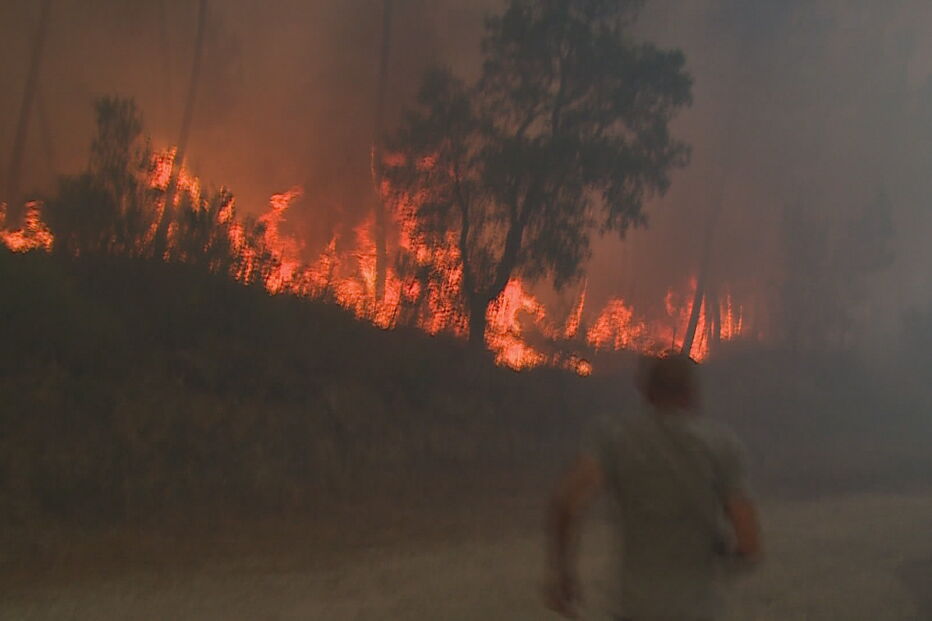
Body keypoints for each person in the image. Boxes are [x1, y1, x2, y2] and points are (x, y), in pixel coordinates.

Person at [544, 353, 762, 620]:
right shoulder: (723, 445)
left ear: (646, 392)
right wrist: (723, 558)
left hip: (636, 608)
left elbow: (567, 502)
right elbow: (749, 542)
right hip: (699, 610)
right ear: (692, 393)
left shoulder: (613, 437)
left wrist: (563, 573)